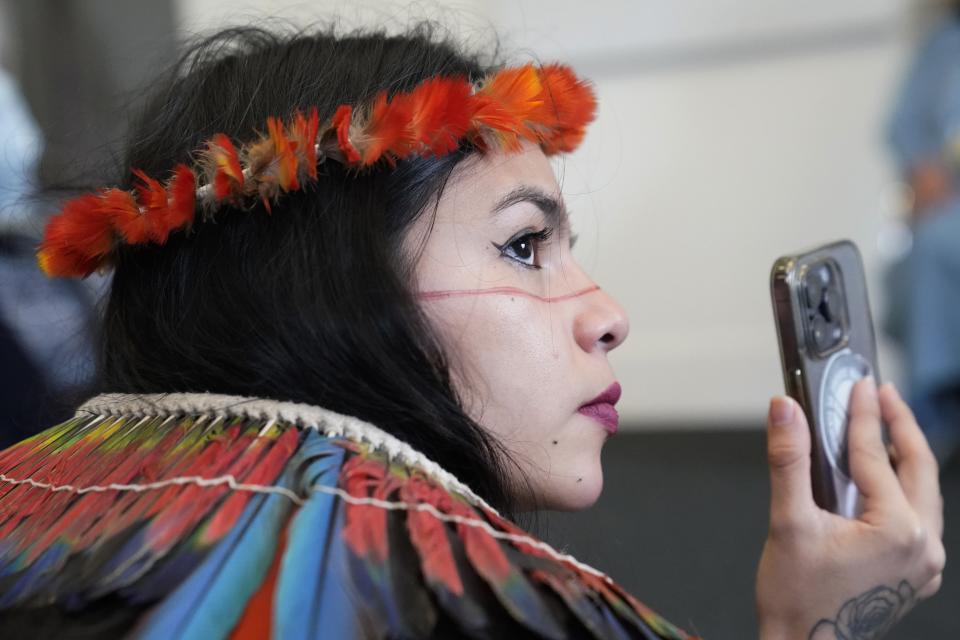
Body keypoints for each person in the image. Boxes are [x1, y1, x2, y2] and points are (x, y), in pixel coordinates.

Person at [0, 22, 944, 639]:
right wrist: (817, 628)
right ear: (332, 284)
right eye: (526, 245)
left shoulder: (23, 485)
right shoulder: (518, 613)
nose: (607, 315)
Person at [885, 4, 960, 465]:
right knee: (924, 252)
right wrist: (924, 170)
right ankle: (929, 414)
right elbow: (904, 125)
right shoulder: (942, 43)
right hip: (947, 208)